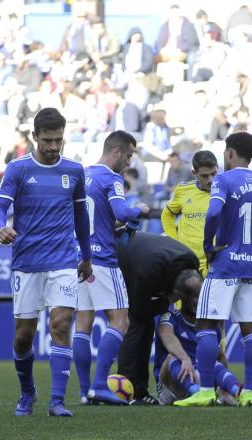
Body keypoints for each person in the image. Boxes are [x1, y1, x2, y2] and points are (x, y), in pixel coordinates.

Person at [0, 108, 93, 417]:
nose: (53, 147)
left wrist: (86, 256)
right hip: (27, 262)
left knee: (61, 325)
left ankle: (57, 401)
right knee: (23, 337)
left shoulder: (74, 170)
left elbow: (81, 217)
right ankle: (27, 392)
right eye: (47, 140)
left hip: (63, 259)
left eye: (58, 140)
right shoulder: (18, 169)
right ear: (34, 136)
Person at [175, 132, 252, 408]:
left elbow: (212, 213)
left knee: (207, 323)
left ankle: (206, 390)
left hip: (225, 264)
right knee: (251, 330)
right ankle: (248, 393)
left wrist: (210, 245)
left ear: (230, 153)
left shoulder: (223, 180)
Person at [72, 131, 150, 405]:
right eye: (128, 155)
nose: (129, 162)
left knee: (83, 323)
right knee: (120, 321)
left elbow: (95, 219)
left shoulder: (81, 175)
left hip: (81, 259)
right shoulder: (111, 178)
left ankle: (84, 392)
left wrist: (117, 227)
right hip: (102, 260)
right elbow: (121, 211)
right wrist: (139, 209)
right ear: (116, 151)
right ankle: (98, 385)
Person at [116, 232, 203, 405]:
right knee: (138, 324)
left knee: (147, 323)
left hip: (149, 256)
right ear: (177, 294)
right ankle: (129, 391)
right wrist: (165, 302)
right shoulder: (147, 272)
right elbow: (139, 311)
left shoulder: (192, 262)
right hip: (122, 259)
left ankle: (141, 390)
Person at [156, 277, 240, 406]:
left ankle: (237, 392)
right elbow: (166, 335)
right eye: (195, 296)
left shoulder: (211, 327)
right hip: (172, 388)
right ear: (183, 298)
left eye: (202, 296)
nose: (199, 301)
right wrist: (184, 358)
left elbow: (220, 357)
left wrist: (223, 390)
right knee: (172, 357)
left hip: (200, 379)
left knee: (213, 362)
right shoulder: (171, 317)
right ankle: (195, 392)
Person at [161, 151, 218, 276]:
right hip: (187, 262)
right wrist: (174, 241)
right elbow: (167, 215)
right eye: (204, 176)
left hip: (215, 263)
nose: (211, 180)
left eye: (214, 174)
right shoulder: (183, 190)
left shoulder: (225, 191)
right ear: (194, 173)